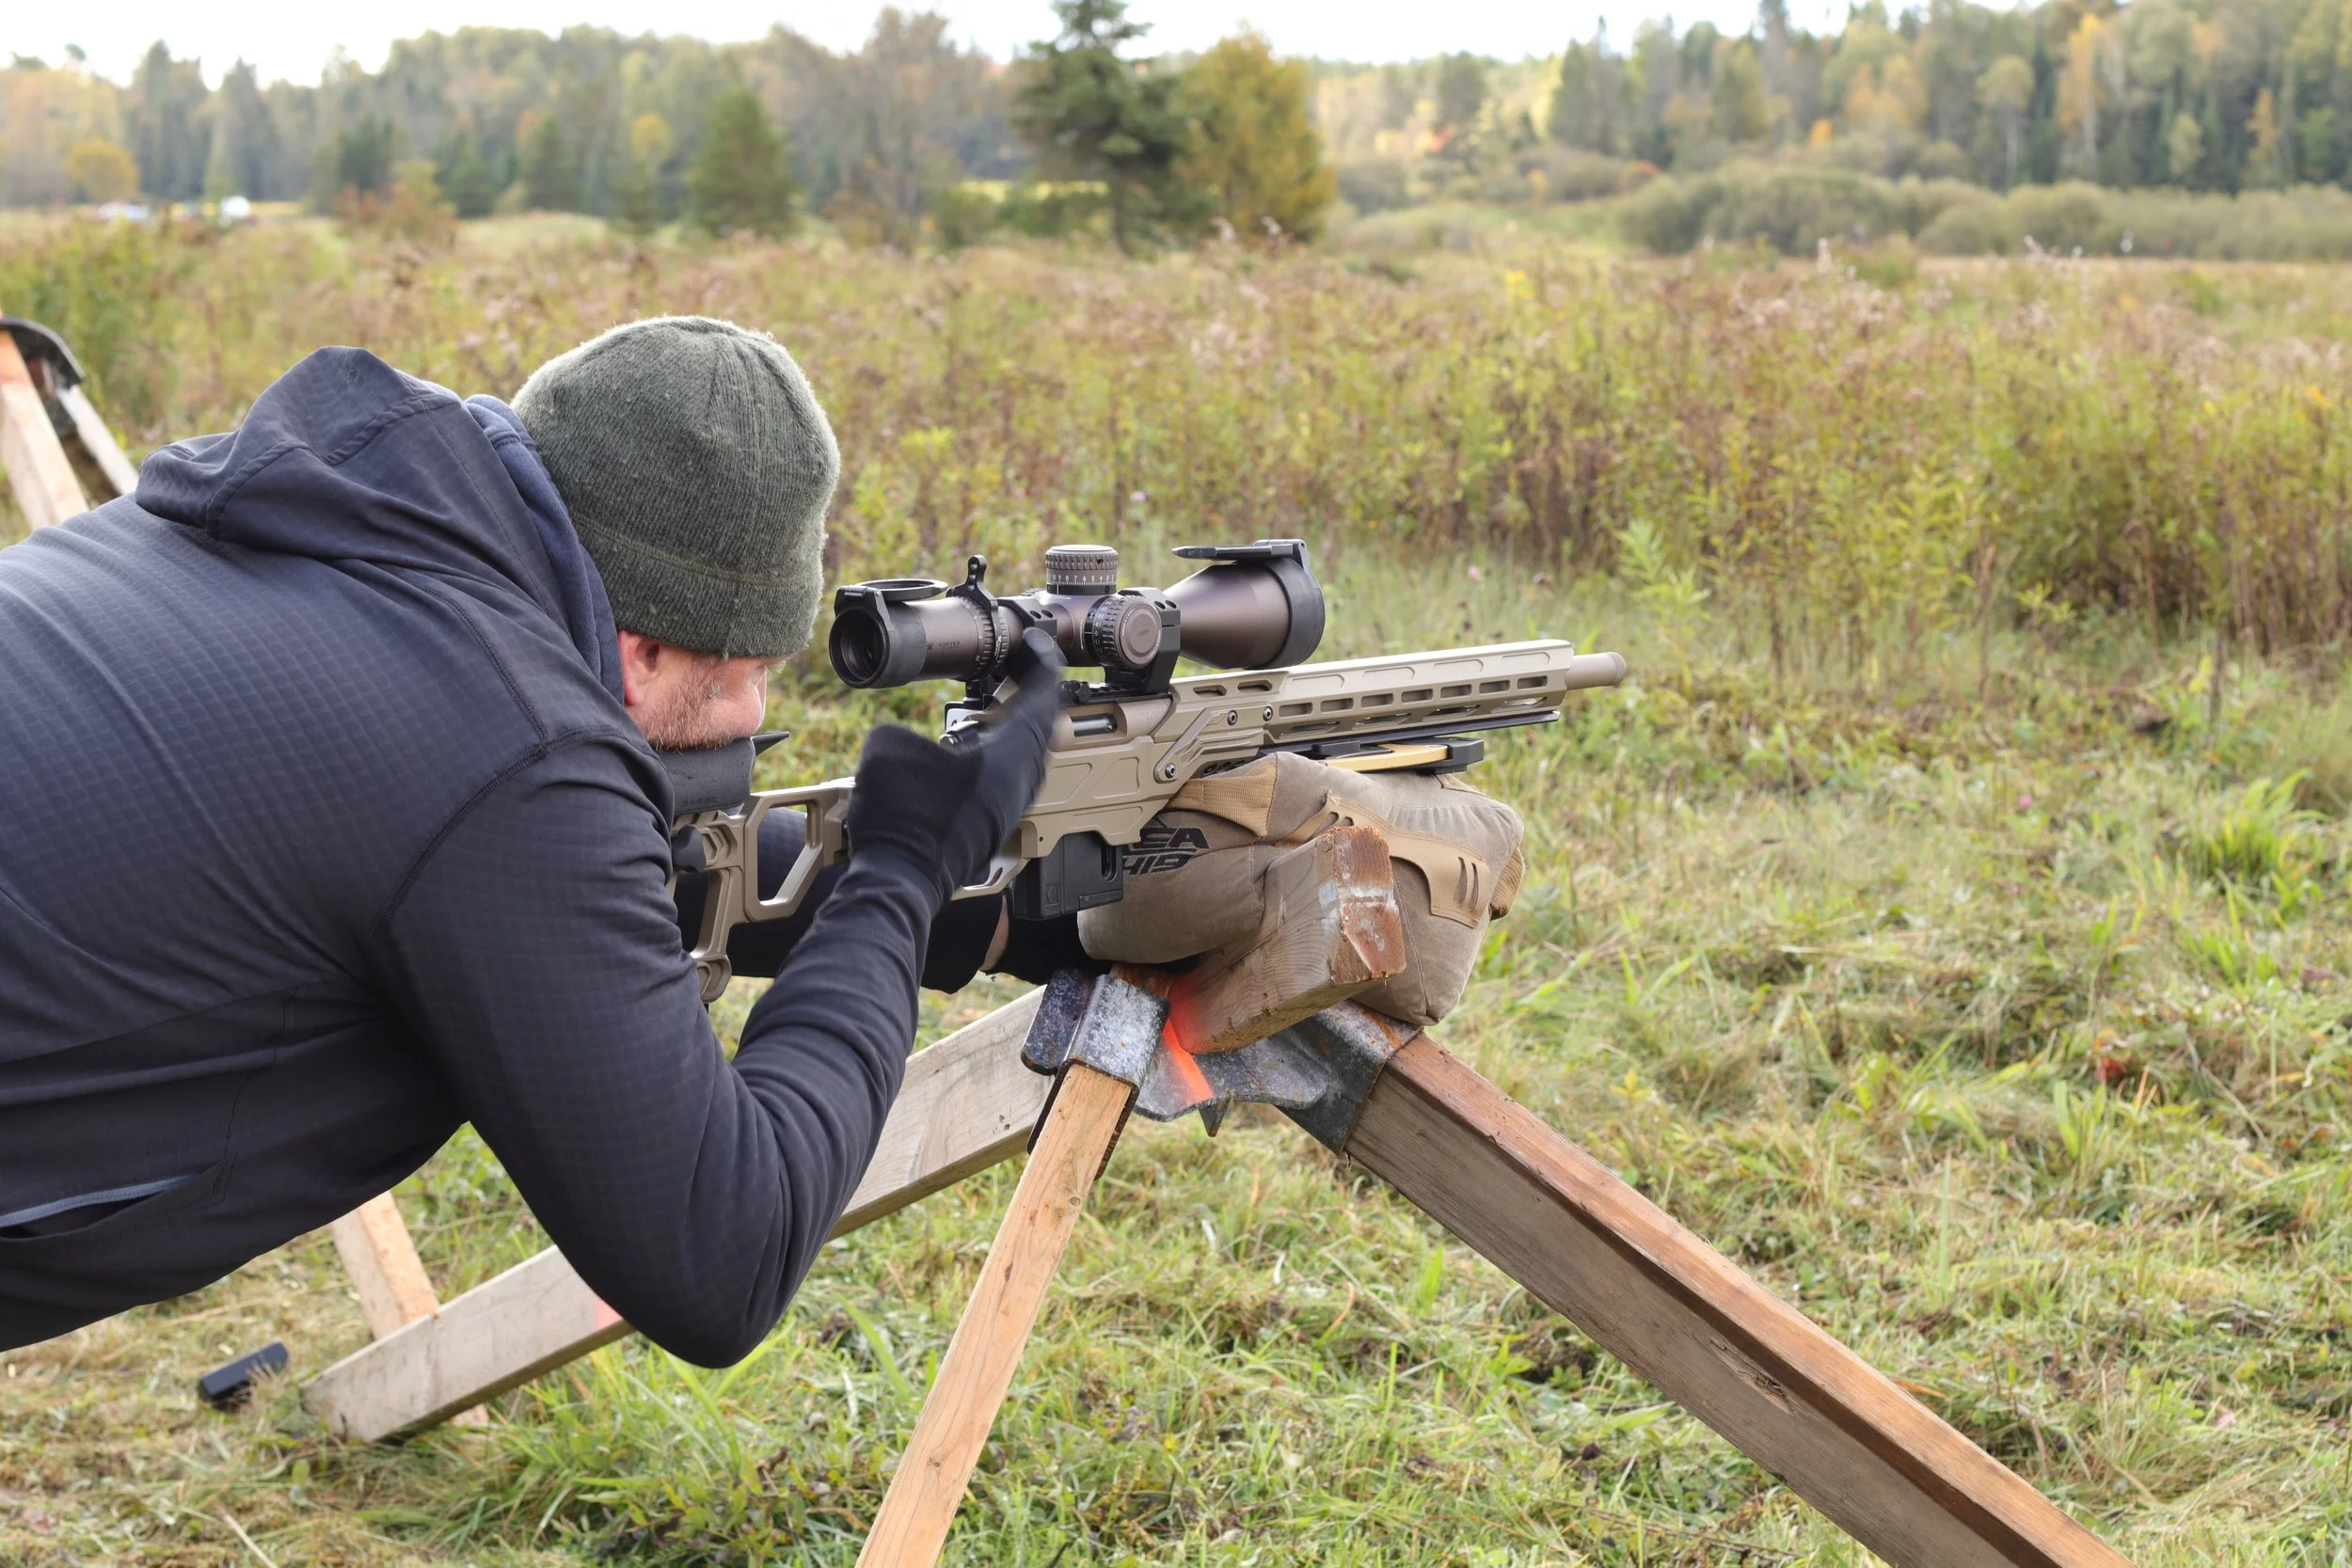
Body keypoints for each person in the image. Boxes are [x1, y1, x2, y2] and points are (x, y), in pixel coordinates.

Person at [0, 316, 1071, 1363]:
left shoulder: (325, 512)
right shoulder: (505, 743)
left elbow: (551, 878)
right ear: (643, 649)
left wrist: (996, 912)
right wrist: (900, 875)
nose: (754, 713)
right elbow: (724, 1256)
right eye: (749, 670)